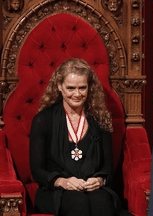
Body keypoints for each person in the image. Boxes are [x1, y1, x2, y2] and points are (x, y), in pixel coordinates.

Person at [30, 58, 120, 216]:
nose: (77, 94)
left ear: (89, 88)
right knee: (78, 202)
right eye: (70, 88)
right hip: (55, 190)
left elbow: (107, 166)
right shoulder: (43, 120)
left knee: (101, 202)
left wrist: (100, 180)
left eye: (82, 88)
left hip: (91, 187)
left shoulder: (100, 118)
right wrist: (62, 182)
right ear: (59, 87)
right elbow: (37, 170)